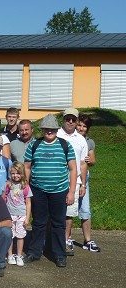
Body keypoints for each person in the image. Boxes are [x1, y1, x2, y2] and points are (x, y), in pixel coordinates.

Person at [23, 114, 77, 268]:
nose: (49, 131)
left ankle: (59, 255)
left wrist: (71, 192)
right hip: (38, 190)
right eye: (46, 128)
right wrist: (26, 188)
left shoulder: (65, 145)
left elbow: (73, 169)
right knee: (39, 223)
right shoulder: (35, 145)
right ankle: (34, 252)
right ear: (42, 130)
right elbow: (27, 166)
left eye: (52, 129)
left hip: (59, 191)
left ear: (56, 129)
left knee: (58, 224)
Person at [57, 108, 89, 256]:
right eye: (68, 119)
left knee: (69, 213)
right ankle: (52, 239)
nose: (70, 122)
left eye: (73, 119)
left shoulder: (81, 139)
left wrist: (83, 184)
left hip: (74, 182)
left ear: (77, 121)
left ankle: (65, 240)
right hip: (56, 180)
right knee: (55, 211)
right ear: (63, 119)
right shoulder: (56, 134)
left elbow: (83, 163)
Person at [76, 114, 100, 252]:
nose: (81, 128)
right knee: (67, 209)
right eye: (79, 125)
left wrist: (90, 161)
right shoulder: (69, 139)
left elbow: (93, 161)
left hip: (84, 177)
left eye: (84, 126)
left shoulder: (89, 142)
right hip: (70, 176)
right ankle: (66, 238)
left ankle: (87, 240)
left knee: (85, 209)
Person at [5, 161, 32, 267]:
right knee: (10, 235)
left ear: (22, 174)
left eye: (18, 173)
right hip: (10, 214)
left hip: (21, 215)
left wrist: (27, 218)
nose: (15, 175)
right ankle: (10, 254)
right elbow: (4, 199)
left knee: (20, 236)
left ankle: (19, 255)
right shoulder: (8, 185)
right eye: (13, 173)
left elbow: (28, 203)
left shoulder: (25, 187)